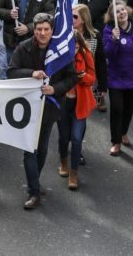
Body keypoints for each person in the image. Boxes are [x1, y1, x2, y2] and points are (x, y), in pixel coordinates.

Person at [7, 14, 77, 209]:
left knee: (43, 148)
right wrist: (31, 74)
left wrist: (55, 89)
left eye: (46, 29)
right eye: (39, 30)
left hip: (50, 107)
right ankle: (34, 192)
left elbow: (72, 78)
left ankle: (34, 182)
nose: (42, 33)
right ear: (34, 30)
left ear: (52, 30)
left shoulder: (61, 51)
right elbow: (11, 71)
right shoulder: (23, 48)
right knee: (30, 149)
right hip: (26, 108)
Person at [103, 1, 133, 156]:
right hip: (116, 76)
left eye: (123, 9)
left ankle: (123, 132)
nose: (122, 13)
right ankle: (116, 142)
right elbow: (107, 53)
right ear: (112, 16)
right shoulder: (108, 30)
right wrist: (114, 40)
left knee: (129, 108)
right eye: (117, 11)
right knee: (117, 108)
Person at [56, 24, 97, 191]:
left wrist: (82, 77)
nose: (74, 50)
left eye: (77, 46)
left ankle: (74, 173)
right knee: (64, 137)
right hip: (63, 103)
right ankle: (63, 162)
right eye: (71, 46)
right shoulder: (58, 57)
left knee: (77, 138)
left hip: (80, 103)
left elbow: (92, 78)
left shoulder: (86, 55)